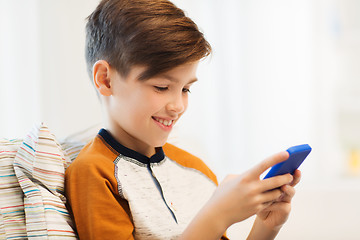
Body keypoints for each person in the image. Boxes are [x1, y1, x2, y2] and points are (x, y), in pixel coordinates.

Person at [64, 0, 301, 239]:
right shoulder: (94, 173)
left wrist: (266, 228)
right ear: (105, 80)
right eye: (161, 87)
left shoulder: (196, 169)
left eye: (186, 89)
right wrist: (217, 215)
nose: (178, 106)